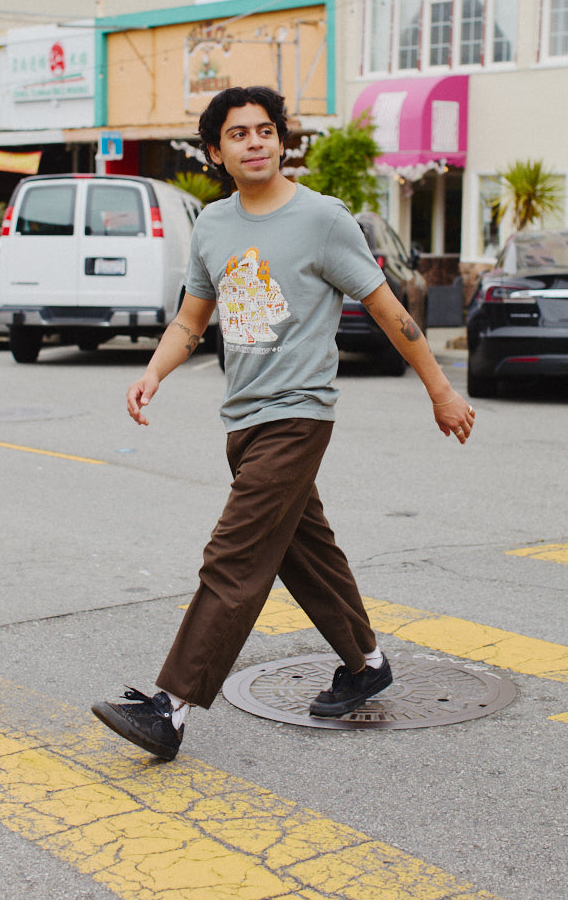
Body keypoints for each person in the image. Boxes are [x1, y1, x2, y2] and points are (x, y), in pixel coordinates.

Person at [92, 85, 475, 761]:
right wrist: (152, 374)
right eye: (239, 134)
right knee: (306, 551)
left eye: (266, 130)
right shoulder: (213, 226)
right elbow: (191, 319)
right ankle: (366, 663)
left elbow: (389, 309)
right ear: (217, 152)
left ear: (282, 140)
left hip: (298, 415)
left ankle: (171, 708)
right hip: (243, 420)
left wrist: (441, 390)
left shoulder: (323, 219)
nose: (256, 142)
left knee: (234, 557)